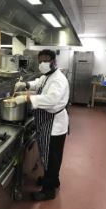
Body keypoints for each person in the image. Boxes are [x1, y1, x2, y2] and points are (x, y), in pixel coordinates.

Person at [14, 49, 70, 201]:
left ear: (53, 61)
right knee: (48, 156)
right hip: (48, 122)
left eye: (45, 61)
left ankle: (49, 191)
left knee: (52, 158)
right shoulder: (48, 76)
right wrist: (25, 84)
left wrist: (27, 99)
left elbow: (51, 99)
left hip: (55, 125)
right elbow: (38, 83)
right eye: (40, 61)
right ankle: (52, 180)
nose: (42, 64)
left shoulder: (58, 79)